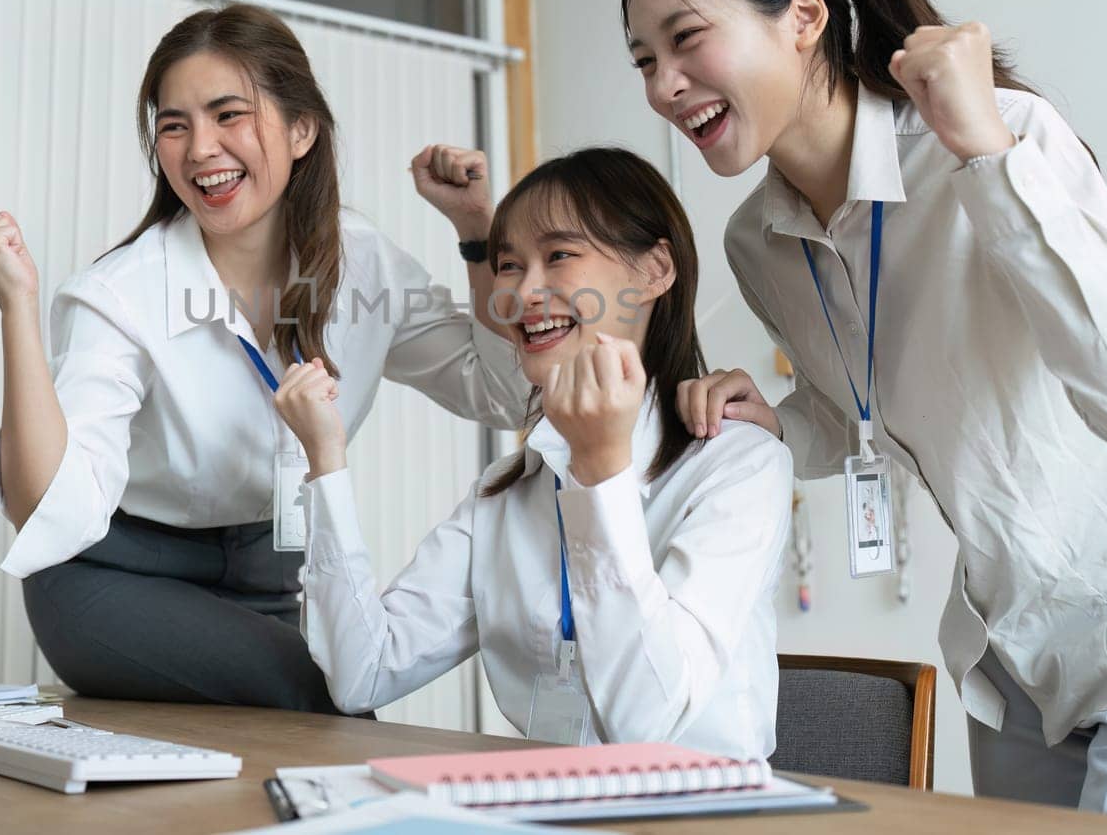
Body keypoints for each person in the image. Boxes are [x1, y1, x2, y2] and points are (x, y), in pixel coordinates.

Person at [621, 0, 1107, 824]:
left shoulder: (995, 140)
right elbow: (864, 406)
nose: (663, 84)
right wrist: (780, 420)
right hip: (1015, 664)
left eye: (686, 38)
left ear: (804, 16)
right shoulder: (757, 243)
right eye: (645, 61)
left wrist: (988, 152)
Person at [0, 3, 530, 712]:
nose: (200, 149)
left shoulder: (364, 263)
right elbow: (48, 508)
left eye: (229, 114)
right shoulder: (120, 293)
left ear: (301, 129)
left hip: (267, 573)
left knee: (331, 698)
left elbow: (501, 393)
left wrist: (479, 232)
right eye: (174, 125)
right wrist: (18, 305)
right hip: (115, 578)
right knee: (328, 700)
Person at [274, 146, 792, 756]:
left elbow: (643, 724)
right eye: (510, 266)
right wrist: (325, 464)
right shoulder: (510, 489)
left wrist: (601, 472)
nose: (523, 292)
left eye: (560, 256)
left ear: (655, 271)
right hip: (547, 806)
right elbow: (362, 674)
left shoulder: (739, 465)